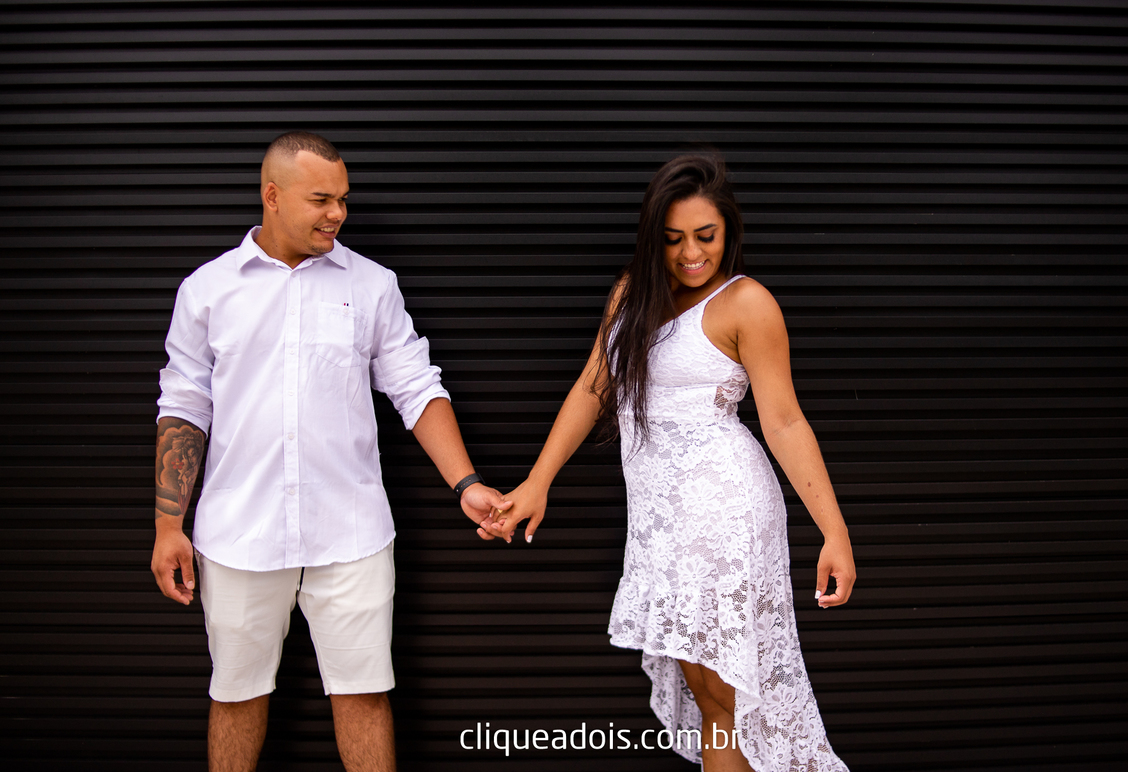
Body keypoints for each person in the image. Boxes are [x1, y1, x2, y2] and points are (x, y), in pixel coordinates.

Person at [150, 130, 511, 772]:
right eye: (322, 199)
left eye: (343, 199)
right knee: (235, 695)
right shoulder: (206, 291)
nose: (338, 214)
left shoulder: (371, 285)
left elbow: (416, 386)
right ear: (272, 196)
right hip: (239, 534)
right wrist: (167, 526)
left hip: (351, 533)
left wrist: (466, 484)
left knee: (366, 696)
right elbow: (184, 408)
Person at [483, 154, 855, 771]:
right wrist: (537, 481)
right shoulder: (633, 289)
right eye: (673, 238)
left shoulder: (747, 304)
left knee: (719, 699)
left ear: (729, 232)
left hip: (721, 509)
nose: (690, 254)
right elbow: (592, 388)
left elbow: (784, 421)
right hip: (662, 516)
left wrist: (834, 530)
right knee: (713, 697)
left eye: (705, 237)